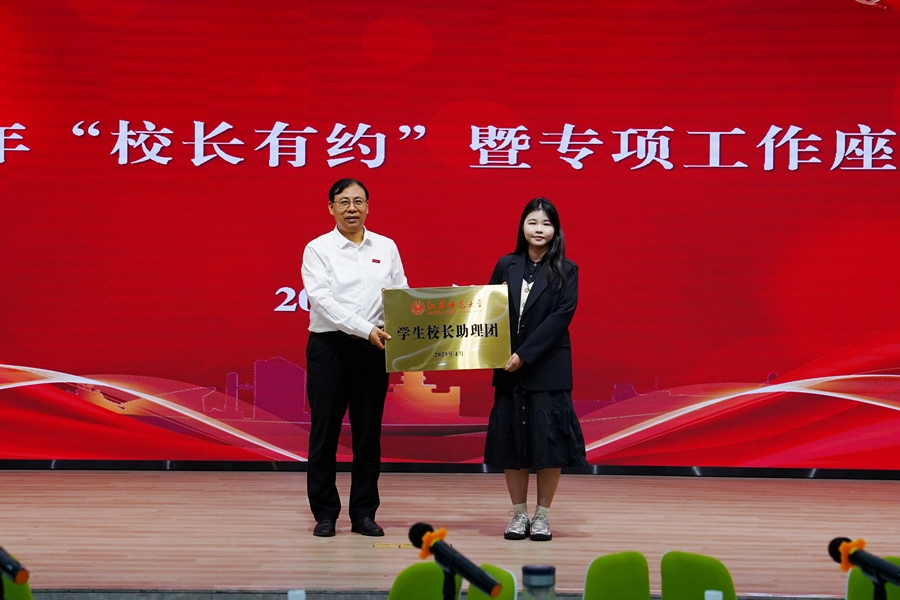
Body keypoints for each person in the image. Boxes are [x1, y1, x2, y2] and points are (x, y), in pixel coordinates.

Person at [301, 178, 407, 538]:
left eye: (358, 201)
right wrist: (366, 329)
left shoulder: (386, 246)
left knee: (367, 436)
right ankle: (325, 514)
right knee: (324, 435)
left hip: (374, 349)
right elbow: (323, 302)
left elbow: (400, 293)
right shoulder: (318, 249)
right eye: (343, 202)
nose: (351, 208)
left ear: (368, 207)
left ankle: (364, 514)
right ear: (331, 207)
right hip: (330, 349)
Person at [484, 197, 587, 542]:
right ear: (522, 227)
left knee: (548, 445)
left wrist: (524, 355)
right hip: (508, 367)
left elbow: (560, 318)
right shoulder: (506, 264)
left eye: (546, 223)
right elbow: (488, 309)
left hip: (547, 368)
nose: (539, 229)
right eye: (532, 222)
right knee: (512, 445)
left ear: (555, 229)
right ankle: (518, 515)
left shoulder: (566, 269)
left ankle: (542, 516)